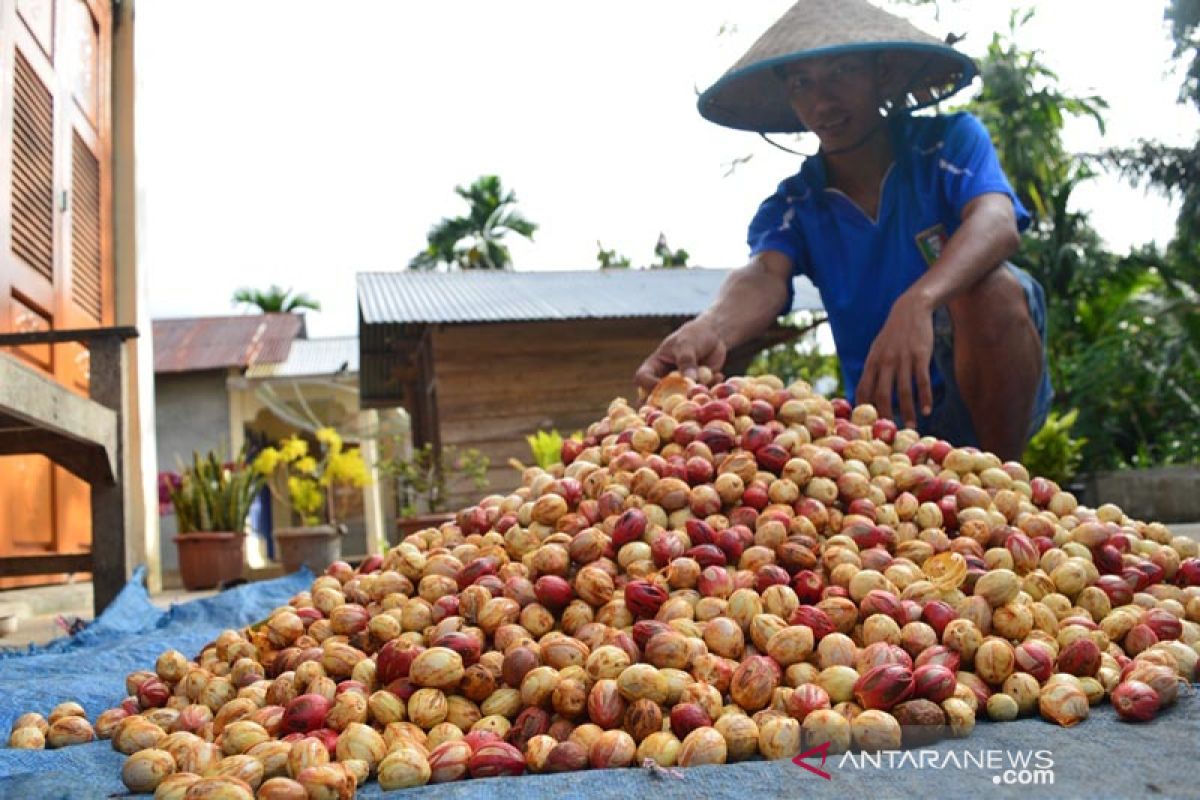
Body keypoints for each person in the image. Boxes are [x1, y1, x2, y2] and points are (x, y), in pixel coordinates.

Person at [635, 0, 1052, 462]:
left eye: (842, 71)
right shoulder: (796, 203)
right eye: (801, 83)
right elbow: (764, 273)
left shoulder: (946, 143)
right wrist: (709, 326)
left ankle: (1003, 483)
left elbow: (996, 220)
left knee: (991, 288)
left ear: (883, 73)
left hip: (988, 402)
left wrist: (918, 301)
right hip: (886, 423)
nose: (822, 100)